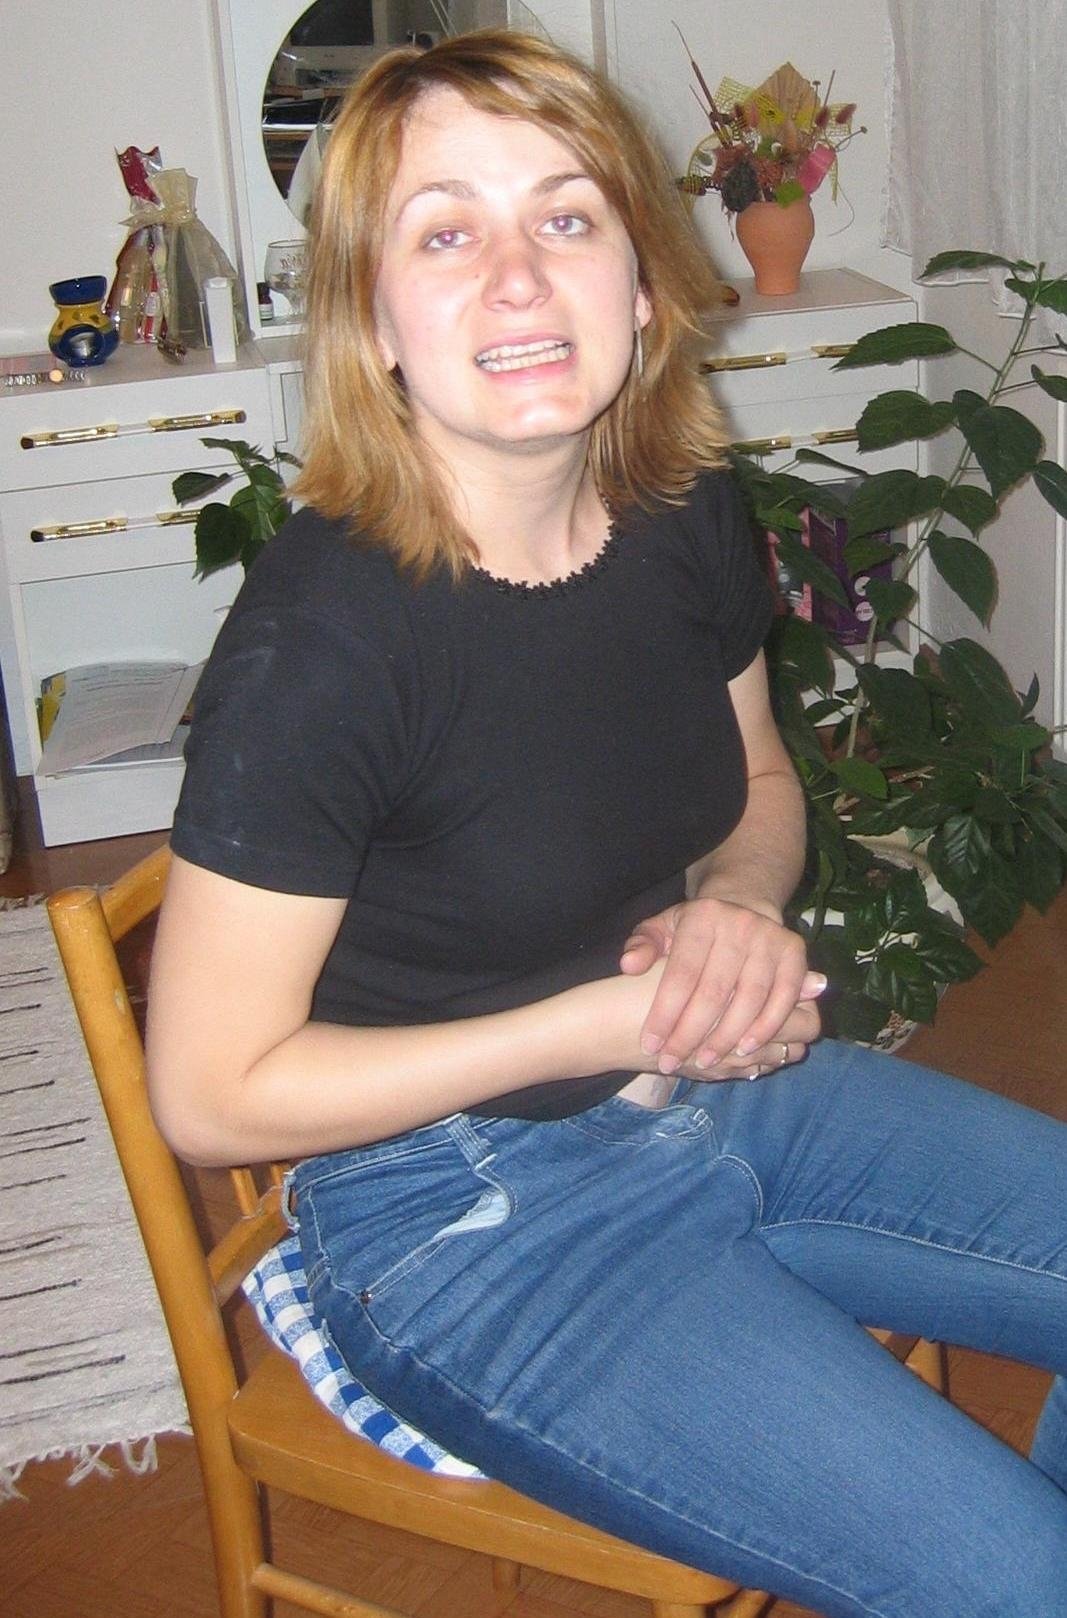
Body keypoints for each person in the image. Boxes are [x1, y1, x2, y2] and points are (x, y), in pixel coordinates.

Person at [146, 30, 1067, 1617]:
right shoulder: (326, 645)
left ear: (642, 283)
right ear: (372, 321)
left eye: (567, 217)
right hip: (457, 1214)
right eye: (445, 234)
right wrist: (605, 1019)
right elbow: (213, 1094)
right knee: (1021, 1572)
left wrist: (738, 909)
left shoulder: (683, 510)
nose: (519, 276)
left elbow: (758, 787)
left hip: (713, 1085)